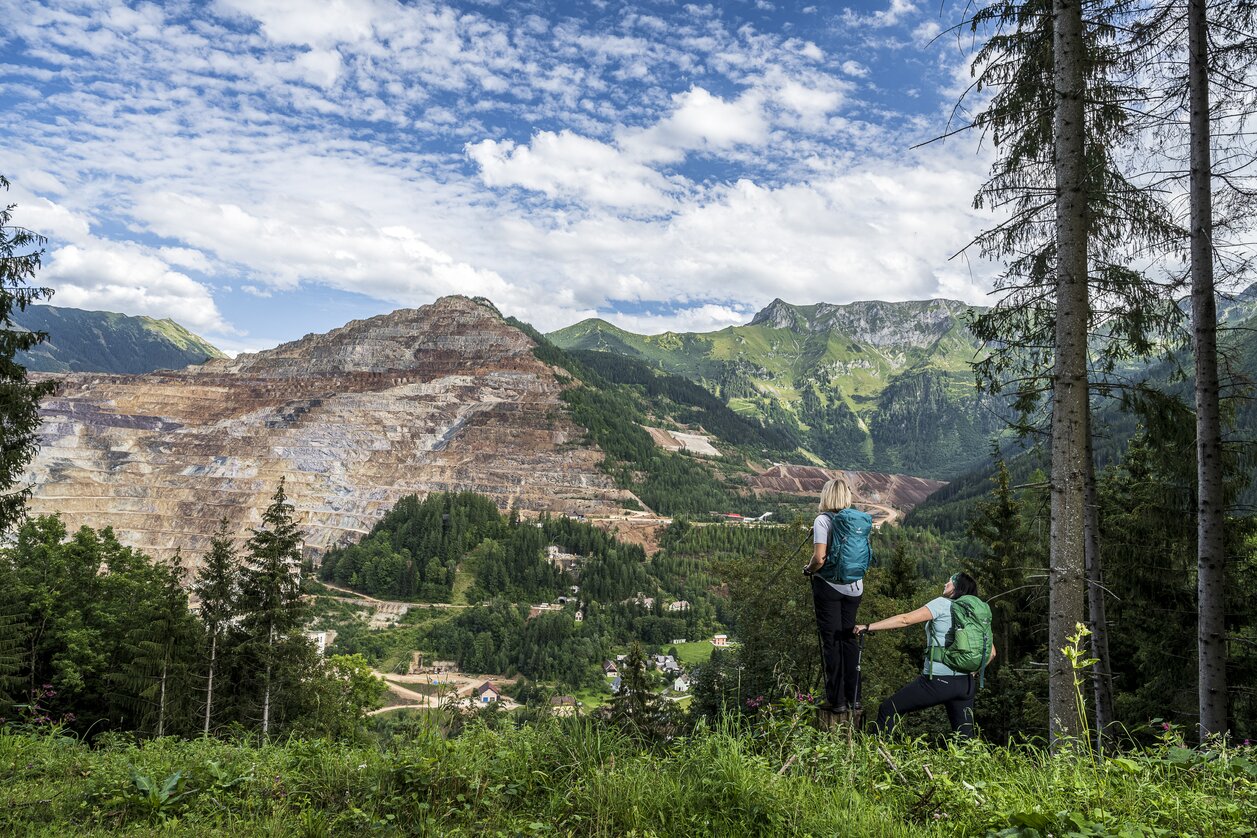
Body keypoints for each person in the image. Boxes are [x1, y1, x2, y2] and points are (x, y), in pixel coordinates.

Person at [855, 572, 996, 738]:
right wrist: (972, 672)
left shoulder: (942, 604)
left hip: (938, 681)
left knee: (888, 709)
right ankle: (971, 764)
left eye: (949, 582)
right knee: (965, 740)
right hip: (966, 685)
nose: (945, 584)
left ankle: (877, 757)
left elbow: (905, 619)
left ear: (957, 588)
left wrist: (868, 626)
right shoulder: (975, 615)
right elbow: (992, 653)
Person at [804, 478, 863, 713]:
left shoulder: (822, 520)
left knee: (831, 642)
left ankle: (836, 700)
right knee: (849, 639)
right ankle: (855, 697)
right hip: (855, 588)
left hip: (830, 587)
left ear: (827, 496)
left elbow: (819, 559)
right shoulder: (856, 520)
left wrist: (807, 570)